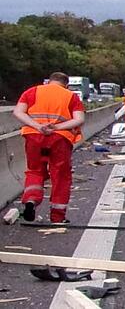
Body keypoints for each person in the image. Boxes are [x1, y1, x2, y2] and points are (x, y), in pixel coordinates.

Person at [13, 72, 85, 223]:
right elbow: (79, 119)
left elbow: (18, 112)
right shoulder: (70, 96)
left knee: (34, 171)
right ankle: (57, 217)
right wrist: (56, 127)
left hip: (33, 136)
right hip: (60, 138)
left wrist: (38, 126)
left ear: (48, 81)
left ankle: (31, 200)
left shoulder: (32, 91)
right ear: (66, 85)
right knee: (61, 176)